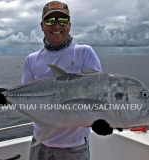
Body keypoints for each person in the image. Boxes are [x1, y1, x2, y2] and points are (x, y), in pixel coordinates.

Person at [21, 1, 104, 159]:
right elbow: (27, 99)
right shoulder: (31, 60)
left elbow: (97, 96)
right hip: (40, 142)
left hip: (74, 147)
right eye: (50, 21)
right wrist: (4, 97)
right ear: (42, 25)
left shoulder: (84, 53)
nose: (57, 26)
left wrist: (103, 121)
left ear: (70, 25)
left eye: (63, 20)